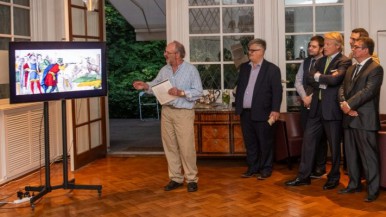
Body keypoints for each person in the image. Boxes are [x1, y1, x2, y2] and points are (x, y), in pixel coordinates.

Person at [132, 41, 203, 192]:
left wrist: (181, 92)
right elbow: (156, 86)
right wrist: (145, 86)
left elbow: (198, 92)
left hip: (184, 113)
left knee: (186, 147)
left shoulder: (191, 70)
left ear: (177, 54)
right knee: (170, 146)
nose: (165, 54)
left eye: (167, 52)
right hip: (167, 112)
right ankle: (176, 178)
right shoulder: (165, 70)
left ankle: (191, 179)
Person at [285, 32, 351, 189]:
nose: (325, 47)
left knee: (334, 146)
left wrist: (319, 78)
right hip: (315, 109)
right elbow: (309, 78)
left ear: (338, 46)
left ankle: (333, 178)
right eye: (325, 43)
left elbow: (336, 80)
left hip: (332, 111)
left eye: (328, 44)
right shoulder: (320, 61)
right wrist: (324, 79)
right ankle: (303, 176)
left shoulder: (344, 61)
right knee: (308, 142)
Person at [338, 37, 383, 202]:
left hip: (365, 119)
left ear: (366, 50)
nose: (353, 49)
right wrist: (344, 104)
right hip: (349, 117)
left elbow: (368, 91)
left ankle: (373, 190)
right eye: (353, 46)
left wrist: (349, 105)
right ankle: (354, 184)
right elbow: (342, 88)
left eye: (356, 47)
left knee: (368, 156)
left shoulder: (376, 68)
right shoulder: (351, 68)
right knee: (350, 155)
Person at [234, 38, 282, 180]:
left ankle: (266, 169)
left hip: (264, 113)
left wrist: (275, 110)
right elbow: (241, 87)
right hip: (246, 113)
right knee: (250, 143)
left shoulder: (272, 69)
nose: (250, 53)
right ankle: (252, 168)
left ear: (262, 51)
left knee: (265, 143)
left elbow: (277, 91)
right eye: (249, 50)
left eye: (253, 50)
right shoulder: (244, 68)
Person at [294, 36, 327, 178]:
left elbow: (323, 84)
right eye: (309, 46)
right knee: (307, 137)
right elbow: (298, 81)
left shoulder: (326, 62)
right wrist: (304, 97)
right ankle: (309, 167)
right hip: (305, 104)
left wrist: (311, 98)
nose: (310, 49)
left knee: (321, 138)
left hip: (320, 104)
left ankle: (320, 167)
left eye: (313, 46)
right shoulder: (306, 61)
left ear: (321, 48)